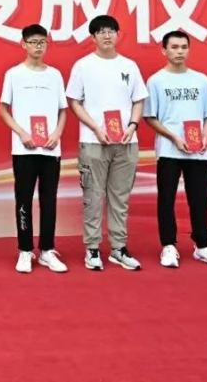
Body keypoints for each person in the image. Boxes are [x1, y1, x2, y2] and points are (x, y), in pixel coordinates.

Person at [66, 15, 148, 271]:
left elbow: (138, 100)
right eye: (101, 31)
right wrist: (95, 128)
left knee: (119, 199)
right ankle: (92, 248)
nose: (107, 35)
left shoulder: (129, 66)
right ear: (93, 37)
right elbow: (74, 102)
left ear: (117, 34)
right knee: (92, 197)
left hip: (126, 142)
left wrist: (132, 125)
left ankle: (118, 248)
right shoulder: (83, 66)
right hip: (93, 141)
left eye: (111, 30)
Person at [144, 32, 207, 269]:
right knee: (166, 199)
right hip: (169, 150)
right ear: (164, 50)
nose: (179, 51)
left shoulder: (200, 80)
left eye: (183, 47)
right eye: (174, 47)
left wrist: (205, 136)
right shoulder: (156, 81)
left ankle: (202, 246)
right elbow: (150, 117)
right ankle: (168, 246)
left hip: (198, 151)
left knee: (200, 199)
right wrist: (173, 137)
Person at [0, 24, 68, 274]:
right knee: (24, 199)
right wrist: (21, 132)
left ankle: (47, 249)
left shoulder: (55, 75)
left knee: (49, 200)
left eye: (42, 42)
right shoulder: (14, 74)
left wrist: (57, 133)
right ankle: (25, 250)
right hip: (24, 149)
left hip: (50, 149)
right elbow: (3, 110)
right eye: (33, 42)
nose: (38, 46)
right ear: (23, 44)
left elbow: (63, 110)